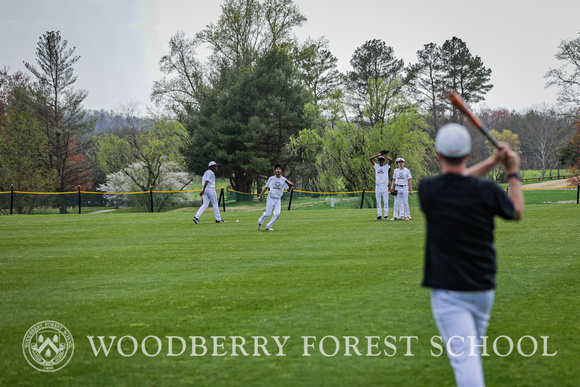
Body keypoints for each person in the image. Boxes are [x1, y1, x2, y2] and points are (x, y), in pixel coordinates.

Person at [419, 123, 523, 387]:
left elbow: (456, 181)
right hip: (483, 287)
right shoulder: (486, 191)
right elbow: (516, 211)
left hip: (449, 291)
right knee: (471, 353)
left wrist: (493, 162)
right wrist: (511, 171)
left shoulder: (428, 190)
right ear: (467, 154)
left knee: (466, 360)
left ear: (438, 153)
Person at [257, 164, 293, 231]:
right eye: (277, 169)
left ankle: (268, 226)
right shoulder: (271, 179)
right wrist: (260, 196)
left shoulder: (284, 180)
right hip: (271, 197)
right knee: (268, 213)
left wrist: (290, 186)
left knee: (277, 213)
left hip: (278, 198)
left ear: (281, 171)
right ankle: (260, 221)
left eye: (279, 169)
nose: (278, 170)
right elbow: (266, 187)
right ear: (274, 171)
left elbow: (288, 189)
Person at [369, 152, 393, 220]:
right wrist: (378, 155)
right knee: (378, 201)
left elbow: (391, 160)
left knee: (385, 201)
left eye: (382, 161)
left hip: (385, 186)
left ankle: (386, 215)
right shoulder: (376, 166)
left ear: (384, 161)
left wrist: (384, 156)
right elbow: (370, 159)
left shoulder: (386, 167)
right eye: (380, 161)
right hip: (378, 186)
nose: (381, 162)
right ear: (379, 161)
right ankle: (379, 215)